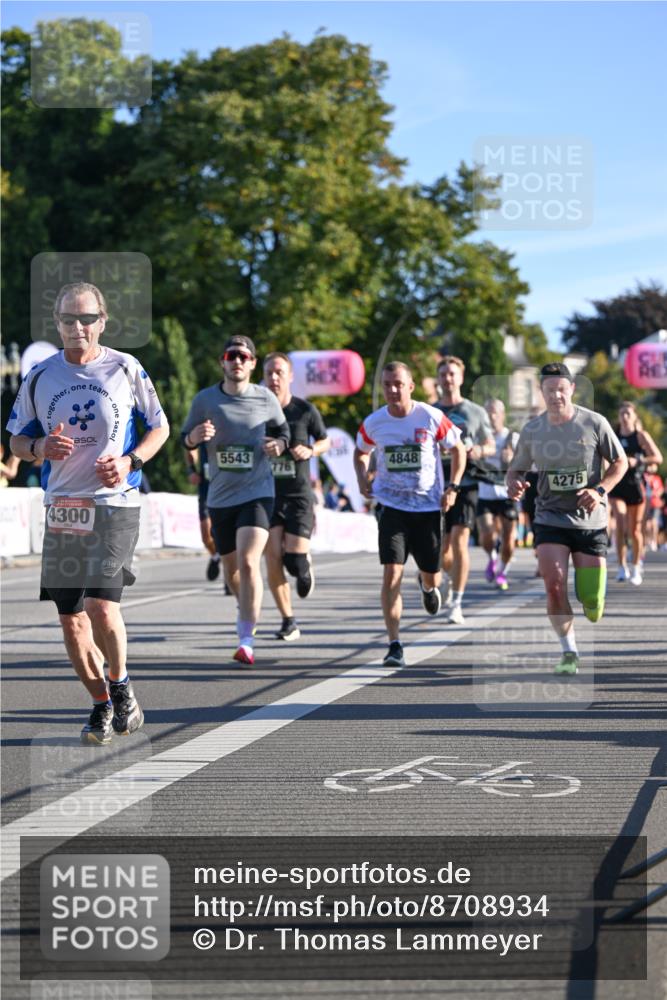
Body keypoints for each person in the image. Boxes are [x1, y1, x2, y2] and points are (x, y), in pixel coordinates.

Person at [7, 281, 169, 744]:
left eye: (86, 318)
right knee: (71, 618)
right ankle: (100, 704)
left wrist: (130, 461)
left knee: (100, 605)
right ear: (56, 323)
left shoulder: (125, 367)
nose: (77, 327)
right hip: (63, 508)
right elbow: (16, 439)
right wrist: (39, 447)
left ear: (102, 321)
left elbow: (160, 428)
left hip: (114, 503)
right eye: (67, 319)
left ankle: (120, 685)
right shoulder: (40, 375)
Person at [507, 362, 628, 675]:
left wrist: (599, 490)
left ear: (572, 389)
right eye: (550, 390)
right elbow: (516, 469)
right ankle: (569, 651)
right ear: (542, 391)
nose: (556, 396)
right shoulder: (533, 430)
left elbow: (620, 462)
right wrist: (514, 482)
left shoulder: (594, 423)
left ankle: (592, 600)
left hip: (590, 520)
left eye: (561, 389)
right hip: (550, 517)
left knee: (591, 601)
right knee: (554, 585)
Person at [181, 335, 290, 666]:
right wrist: (194, 438)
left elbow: (284, 433)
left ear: (253, 363)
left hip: (258, 492)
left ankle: (246, 640)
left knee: (248, 560)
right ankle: (245, 606)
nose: (238, 361)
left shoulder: (265, 398)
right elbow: (185, 439)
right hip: (220, 496)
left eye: (244, 356)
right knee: (232, 570)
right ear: (223, 362)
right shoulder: (205, 400)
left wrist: (279, 445)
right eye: (232, 356)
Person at [354, 361, 466, 667]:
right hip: (391, 507)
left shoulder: (430, 416)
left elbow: (458, 449)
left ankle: (428, 586)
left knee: (433, 573)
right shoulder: (375, 422)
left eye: (398, 384)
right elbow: (360, 452)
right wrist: (362, 478)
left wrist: (453, 487)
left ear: (411, 387)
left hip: (428, 508)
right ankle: (394, 644)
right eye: (387, 384)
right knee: (392, 572)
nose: (392, 390)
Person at [263, 352, 330, 641]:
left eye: (279, 372)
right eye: (269, 373)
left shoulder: (304, 410)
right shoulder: (256, 411)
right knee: (272, 557)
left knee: (294, 562)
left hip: (299, 495)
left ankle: (303, 566)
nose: (274, 378)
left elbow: (325, 441)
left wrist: (311, 450)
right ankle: (288, 620)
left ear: (290, 376)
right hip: (266, 495)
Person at [435, 356, 496, 623]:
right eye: (443, 374)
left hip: (466, 483)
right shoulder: (430, 411)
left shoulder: (475, 412)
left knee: (460, 541)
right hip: (436, 485)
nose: (448, 379)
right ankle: (448, 576)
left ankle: (457, 603)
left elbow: (490, 444)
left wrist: (478, 450)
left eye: (452, 374)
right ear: (438, 379)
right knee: (441, 548)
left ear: (461, 377)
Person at [608, 402, 662, 585]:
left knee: (635, 530)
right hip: (617, 485)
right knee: (620, 522)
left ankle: (636, 566)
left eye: (628, 414)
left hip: (635, 485)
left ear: (634, 417)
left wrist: (638, 461)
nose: (624, 417)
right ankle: (621, 566)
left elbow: (658, 457)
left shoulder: (640, 436)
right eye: (622, 413)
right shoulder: (613, 436)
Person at [475, 399, 520, 591]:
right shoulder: (479, 438)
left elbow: (528, 463)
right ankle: (492, 558)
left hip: (507, 494)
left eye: (494, 412)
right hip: (485, 492)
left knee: (509, 540)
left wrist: (513, 460)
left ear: (502, 415)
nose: (491, 416)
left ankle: (502, 571)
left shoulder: (513, 437)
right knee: (486, 535)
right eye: (487, 413)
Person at [185, 442, 222, 581]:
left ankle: (230, 578)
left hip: (229, 488)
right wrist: (191, 470)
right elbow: (189, 446)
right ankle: (216, 556)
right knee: (206, 535)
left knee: (229, 534)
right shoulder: (205, 430)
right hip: (207, 490)